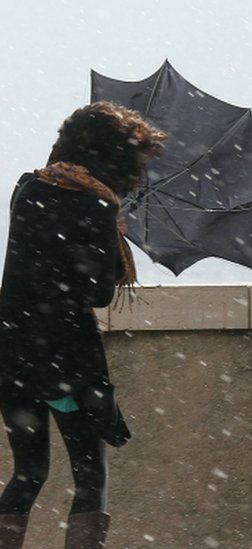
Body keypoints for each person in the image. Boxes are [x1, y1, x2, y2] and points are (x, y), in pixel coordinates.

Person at [0, 102, 167, 548]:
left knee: (28, 472)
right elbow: (95, 294)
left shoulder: (27, 186)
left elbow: (31, 271)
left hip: (14, 353)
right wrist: (111, 236)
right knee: (89, 477)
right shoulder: (96, 203)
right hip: (66, 367)